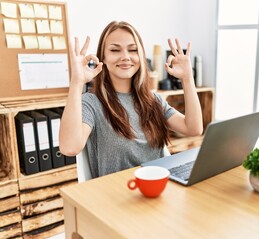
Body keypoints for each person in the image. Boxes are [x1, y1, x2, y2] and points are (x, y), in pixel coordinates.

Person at [59, 21, 203, 178]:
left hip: (157, 188)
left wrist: (187, 78)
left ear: (140, 56)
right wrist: (76, 82)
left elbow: (194, 128)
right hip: (119, 196)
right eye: (115, 50)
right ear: (103, 58)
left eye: (133, 50)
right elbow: (69, 147)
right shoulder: (91, 102)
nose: (125, 57)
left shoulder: (152, 99)